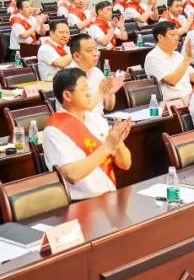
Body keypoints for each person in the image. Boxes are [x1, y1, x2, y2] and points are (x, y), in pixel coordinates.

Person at [42, 67, 133, 199]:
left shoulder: (96, 119)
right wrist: (107, 147)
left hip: (109, 196)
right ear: (67, 95)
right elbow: (72, 175)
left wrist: (118, 143)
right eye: (84, 90)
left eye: (89, 88)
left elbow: (126, 164)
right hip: (81, 203)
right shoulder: (54, 130)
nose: (90, 94)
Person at [144, 21, 194, 103]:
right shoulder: (153, 57)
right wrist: (187, 59)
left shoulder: (177, 55)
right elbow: (172, 81)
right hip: (171, 102)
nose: (177, 38)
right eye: (172, 35)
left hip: (189, 97)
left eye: (177, 35)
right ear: (160, 37)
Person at [68, 33, 125, 115]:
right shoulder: (68, 77)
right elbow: (79, 113)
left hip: (100, 119)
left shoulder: (97, 72)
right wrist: (101, 92)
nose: (95, 54)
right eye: (90, 51)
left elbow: (109, 107)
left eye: (96, 49)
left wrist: (110, 93)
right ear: (77, 56)